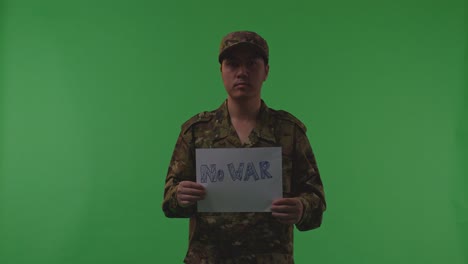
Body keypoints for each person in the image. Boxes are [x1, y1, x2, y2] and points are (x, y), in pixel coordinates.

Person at [162, 30, 326, 264]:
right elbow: (169, 201)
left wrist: (302, 207)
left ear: (266, 71)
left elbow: (316, 199)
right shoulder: (197, 132)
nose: (242, 72)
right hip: (209, 258)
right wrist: (180, 195)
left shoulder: (289, 132)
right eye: (232, 64)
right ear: (221, 71)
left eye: (252, 63)